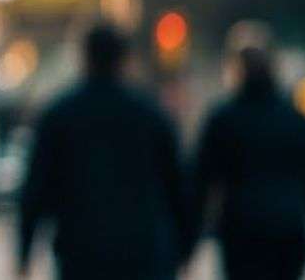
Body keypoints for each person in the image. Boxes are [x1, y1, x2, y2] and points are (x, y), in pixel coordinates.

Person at [17, 23, 190, 280]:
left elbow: (35, 190)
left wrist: (24, 255)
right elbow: (178, 188)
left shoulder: (59, 115)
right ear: (124, 59)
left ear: (84, 57)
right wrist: (184, 251)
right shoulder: (152, 115)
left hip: (81, 251)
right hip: (142, 251)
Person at [190, 35, 305, 279]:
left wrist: (189, 237)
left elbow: (202, 181)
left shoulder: (223, 119)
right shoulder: (293, 119)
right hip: (286, 228)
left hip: (241, 228)